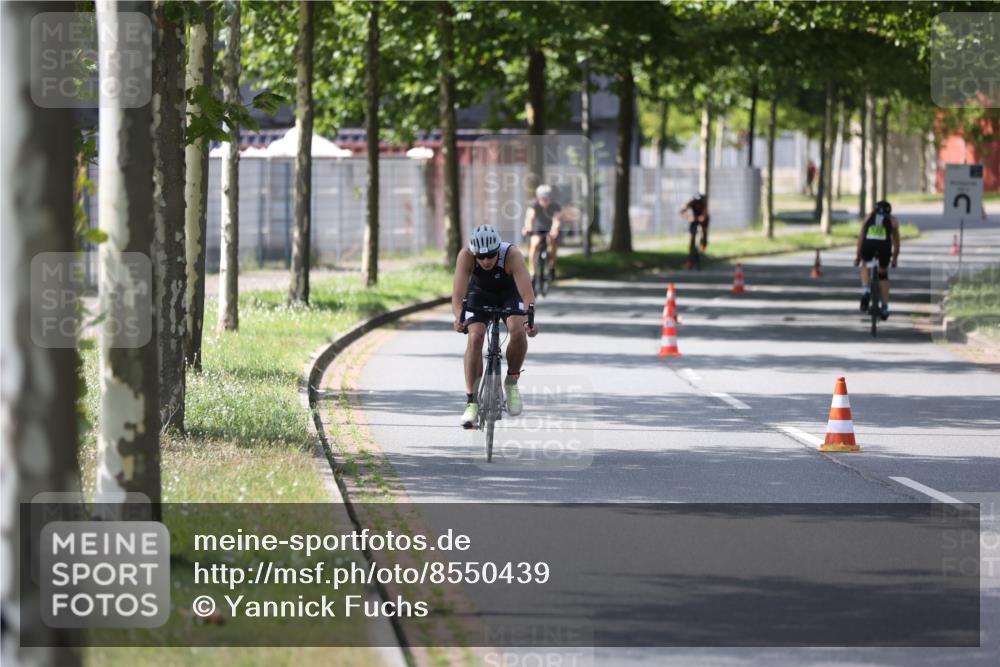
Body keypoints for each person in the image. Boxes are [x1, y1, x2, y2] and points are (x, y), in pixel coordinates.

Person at [453, 224, 538, 428]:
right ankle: (472, 401)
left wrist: (529, 321)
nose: (485, 261)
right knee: (475, 336)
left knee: (517, 331)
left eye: (490, 256)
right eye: (480, 257)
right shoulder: (466, 256)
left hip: (509, 293)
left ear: (497, 250)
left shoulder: (512, 254)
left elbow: (527, 294)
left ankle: (511, 382)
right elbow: (457, 296)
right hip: (479, 293)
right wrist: (459, 318)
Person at [854, 200, 900, 320]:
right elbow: (896, 242)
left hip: (868, 246)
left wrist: (858, 257)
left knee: (865, 265)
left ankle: (865, 291)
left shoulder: (868, 217)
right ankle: (884, 307)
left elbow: (861, 239)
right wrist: (894, 259)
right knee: (883, 274)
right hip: (884, 248)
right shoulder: (893, 220)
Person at [522, 184, 562, 281]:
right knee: (534, 244)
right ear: (538, 197)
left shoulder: (555, 206)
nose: (544, 201)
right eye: (542, 198)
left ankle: (552, 266)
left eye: (546, 198)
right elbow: (530, 218)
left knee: (551, 241)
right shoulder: (534, 204)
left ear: (550, 198)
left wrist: (554, 230)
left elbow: (556, 220)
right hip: (538, 229)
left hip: (550, 229)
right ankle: (532, 272)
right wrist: (528, 228)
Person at [680, 193, 709, 270]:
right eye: (696, 202)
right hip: (694, 220)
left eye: (699, 202)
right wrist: (688, 217)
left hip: (703, 220)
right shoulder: (691, 202)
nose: (697, 203)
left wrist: (701, 218)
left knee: (703, 233)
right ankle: (691, 258)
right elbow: (682, 211)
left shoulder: (703, 204)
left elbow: (704, 215)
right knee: (692, 240)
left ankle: (703, 244)